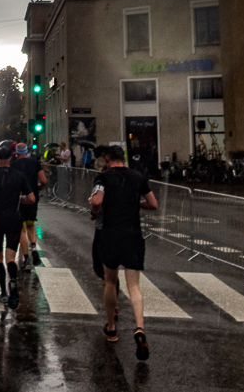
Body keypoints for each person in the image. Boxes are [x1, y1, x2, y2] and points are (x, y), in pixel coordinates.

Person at [89, 144, 157, 358]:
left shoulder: (103, 178)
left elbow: (98, 200)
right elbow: (154, 204)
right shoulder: (138, 177)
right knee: (134, 286)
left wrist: (94, 207)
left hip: (110, 235)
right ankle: (139, 327)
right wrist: (136, 204)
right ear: (124, 158)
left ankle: (111, 328)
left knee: (110, 282)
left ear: (108, 158)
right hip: (133, 235)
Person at [0, 145, 34, 309]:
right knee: (10, 256)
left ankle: (3, 292)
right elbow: (31, 198)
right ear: (11, 158)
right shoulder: (19, 176)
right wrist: (20, 200)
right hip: (14, 217)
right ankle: (12, 280)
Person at [12, 142, 47, 269]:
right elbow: (43, 180)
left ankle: (26, 259)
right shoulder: (35, 163)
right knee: (31, 224)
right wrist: (39, 188)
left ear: (16, 153)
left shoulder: (13, 165)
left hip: (19, 198)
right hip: (33, 197)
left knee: (21, 229)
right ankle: (33, 247)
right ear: (27, 152)